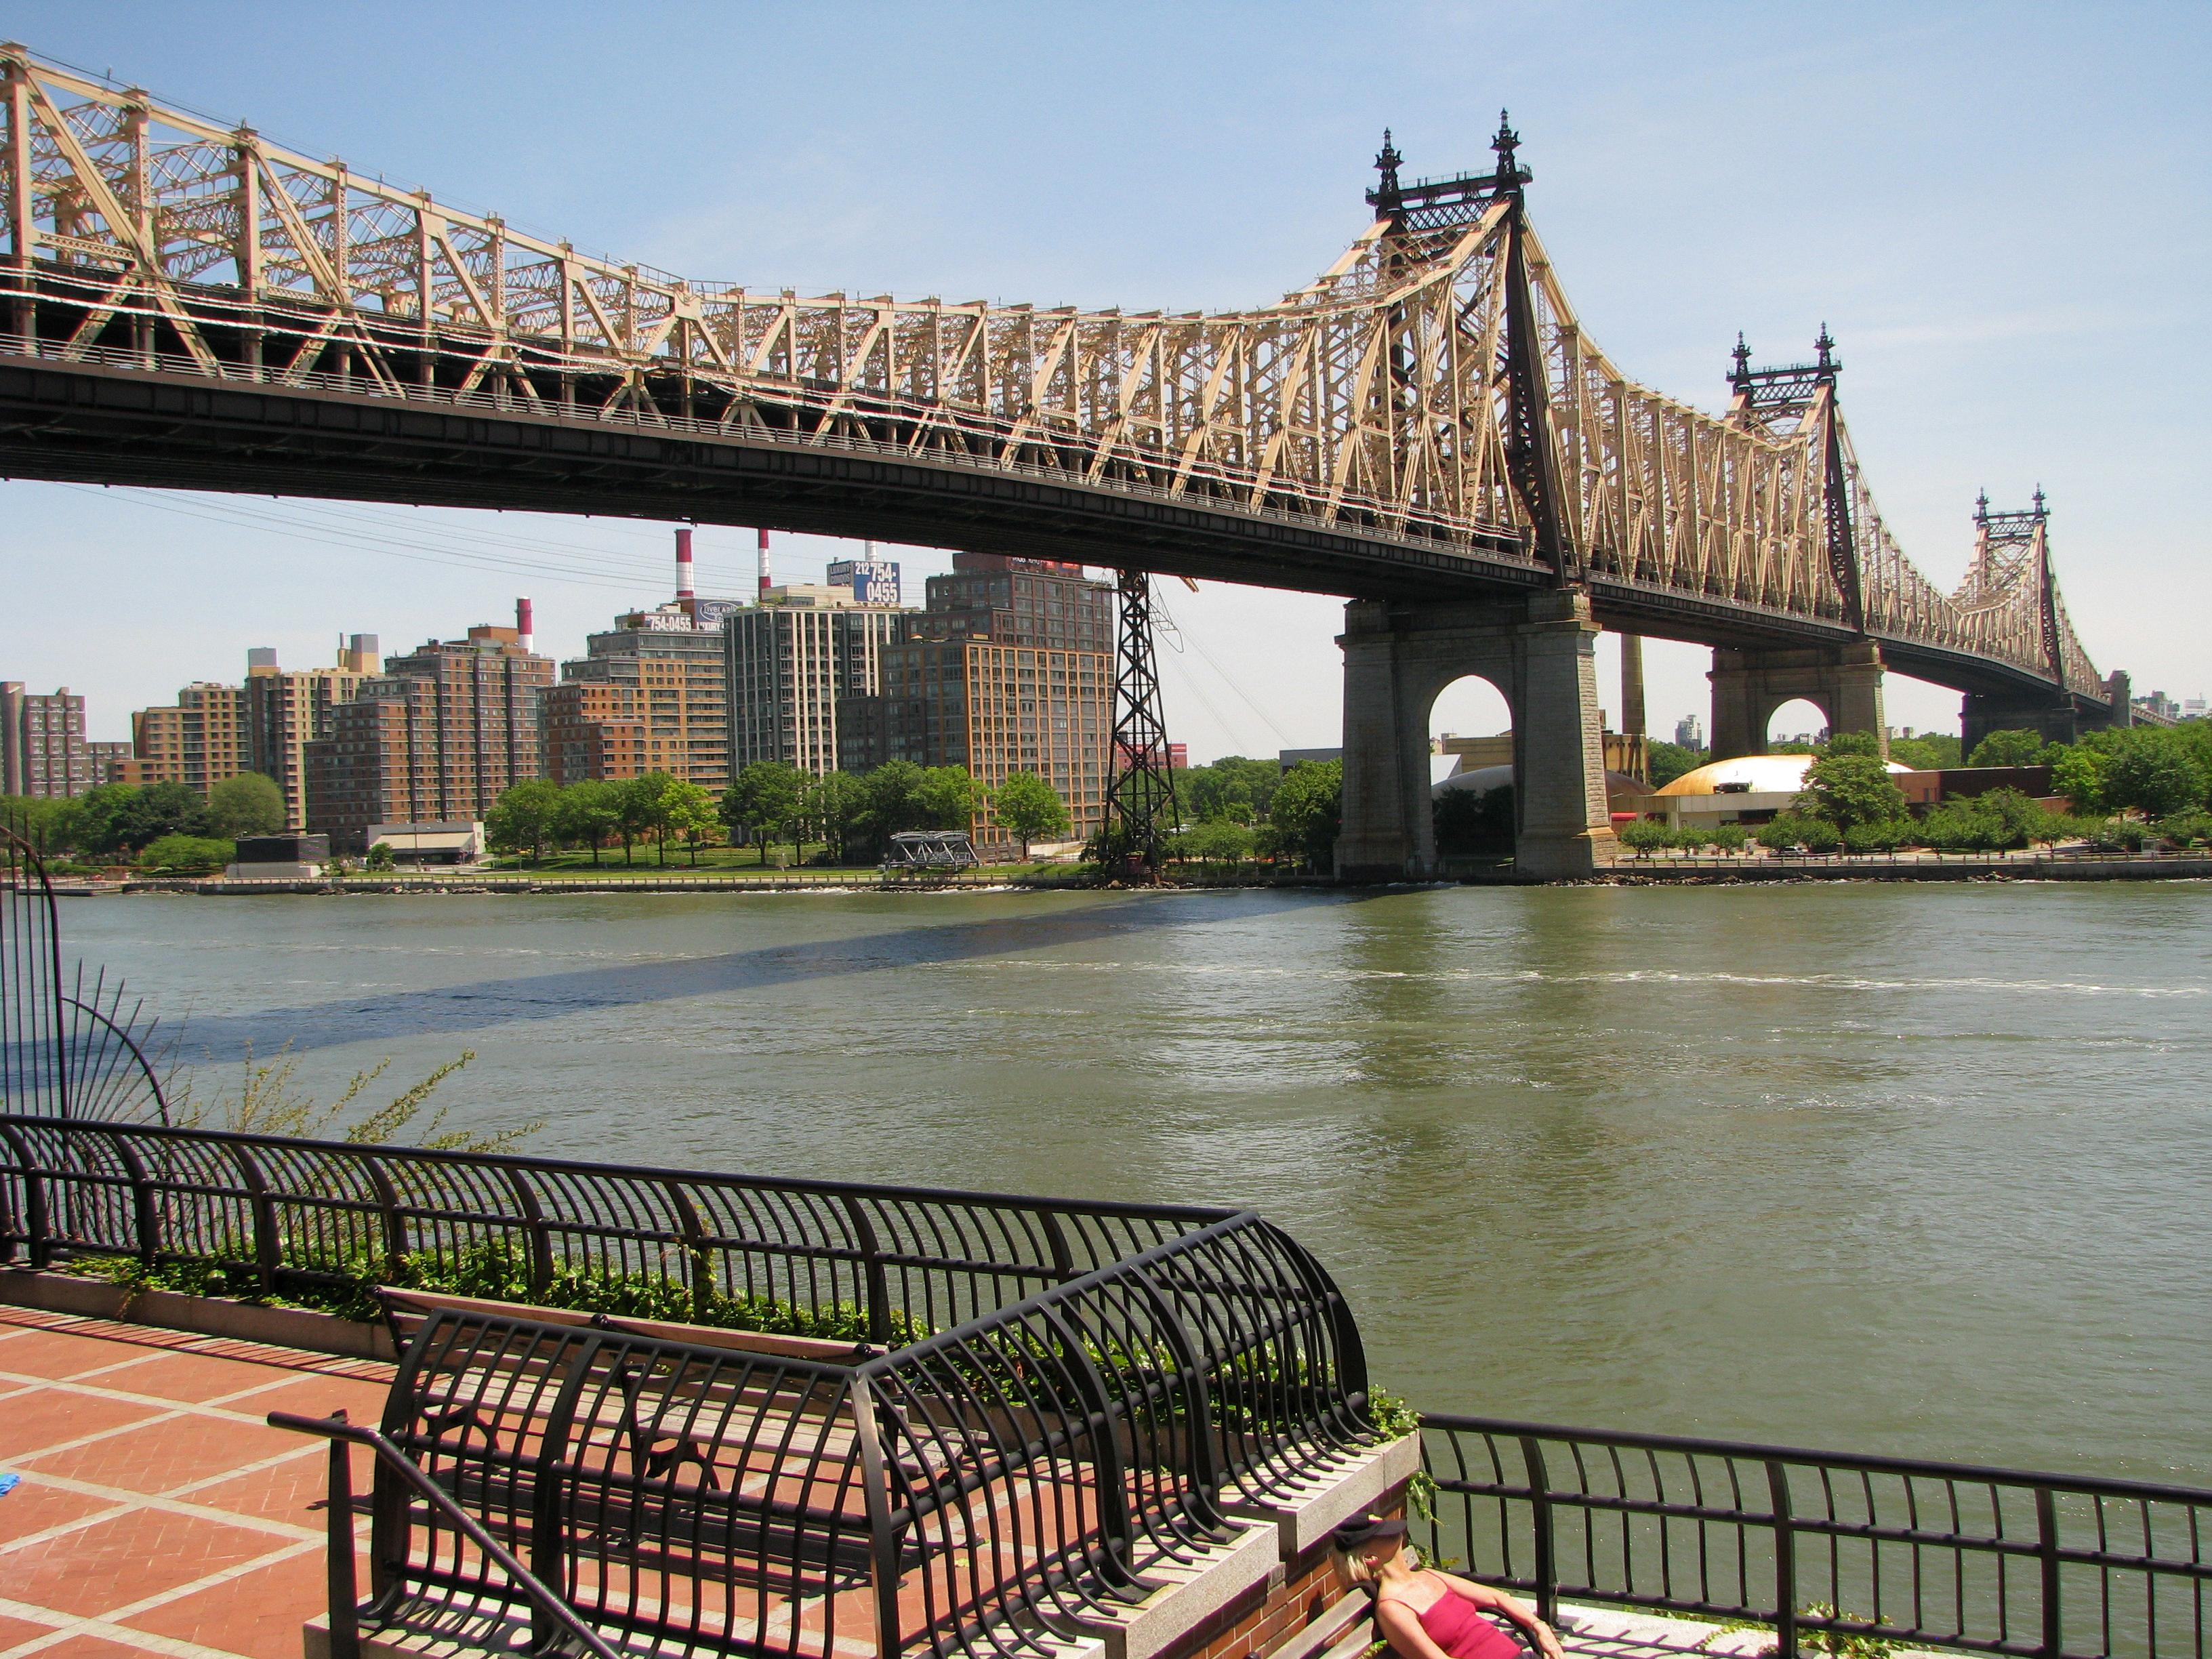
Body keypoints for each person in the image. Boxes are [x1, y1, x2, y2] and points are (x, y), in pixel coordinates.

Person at [1332, 1515, 1565, 1659]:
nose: (1391, 1531)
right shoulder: (1393, 1608)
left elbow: (1496, 1598)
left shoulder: (1429, 1576)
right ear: (1371, 1558)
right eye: (1380, 1534)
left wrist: (1540, 1627)